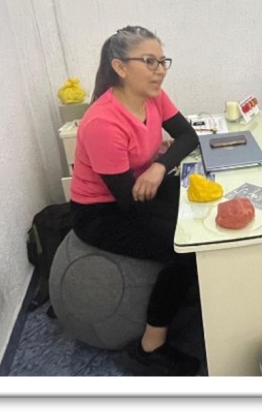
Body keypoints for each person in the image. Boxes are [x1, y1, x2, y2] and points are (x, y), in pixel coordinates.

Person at [69, 26, 201, 376]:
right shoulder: (102, 122)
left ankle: (191, 285)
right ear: (120, 67)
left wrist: (159, 166)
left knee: (197, 213)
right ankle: (149, 347)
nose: (160, 70)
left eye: (162, 61)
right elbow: (128, 201)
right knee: (184, 246)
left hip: (142, 186)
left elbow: (188, 136)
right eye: (149, 61)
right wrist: (176, 221)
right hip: (101, 210)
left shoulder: (153, 96)